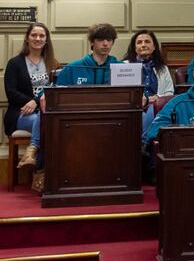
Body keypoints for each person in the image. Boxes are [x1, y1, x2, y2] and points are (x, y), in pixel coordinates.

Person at [4, 23, 57, 171]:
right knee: (43, 122)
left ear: (46, 40)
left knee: (45, 120)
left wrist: (35, 102)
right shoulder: (14, 63)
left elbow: (54, 90)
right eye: (34, 35)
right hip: (21, 113)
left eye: (42, 36)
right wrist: (33, 102)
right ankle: (43, 173)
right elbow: (11, 92)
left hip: (46, 111)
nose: (37, 38)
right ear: (27, 38)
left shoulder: (53, 64)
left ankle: (32, 155)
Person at [122, 29, 174, 133]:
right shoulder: (124, 66)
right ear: (135, 48)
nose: (143, 45)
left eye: (147, 41)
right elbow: (121, 93)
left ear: (154, 47)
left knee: (152, 110)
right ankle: (146, 140)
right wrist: (137, 99)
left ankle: (144, 140)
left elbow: (170, 92)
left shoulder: (163, 68)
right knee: (141, 114)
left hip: (156, 106)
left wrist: (158, 97)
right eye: (139, 42)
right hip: (134, 107)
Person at [56, 23, 122, 85]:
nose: (105, 44)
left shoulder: (122, 68)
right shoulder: (72, 68)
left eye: (109, 40)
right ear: (91, 42)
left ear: (113, 42)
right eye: (100, 39)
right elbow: (59, 92)